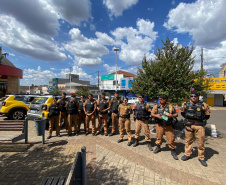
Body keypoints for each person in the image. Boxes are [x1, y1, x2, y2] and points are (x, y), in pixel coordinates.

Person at [180, 90, 210, 167]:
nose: (193, 97)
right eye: (192, 96)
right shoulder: (185, 104)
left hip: (199, 126)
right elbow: (182, 113)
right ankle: (187, 154)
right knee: (188, 141)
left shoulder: (203, 105)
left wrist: (199, 119)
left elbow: (207, 115)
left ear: (198, 97)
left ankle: (201, 157)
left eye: (195, 96)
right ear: (190, 96)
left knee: (201, 142)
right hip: (189, 125)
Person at [151, 95, 178, 160]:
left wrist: (171, 115)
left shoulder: (170, 106)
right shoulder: (156, 106)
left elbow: (176, 114)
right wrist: (156, 115)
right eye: (160, 99)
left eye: (163, 99)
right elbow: (152, 113)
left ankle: (172, 150)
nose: (162, 100)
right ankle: (158, 147)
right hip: (159, 125)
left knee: (171, 138)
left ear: (166, 99)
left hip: (168, 125)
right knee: (159, 136)